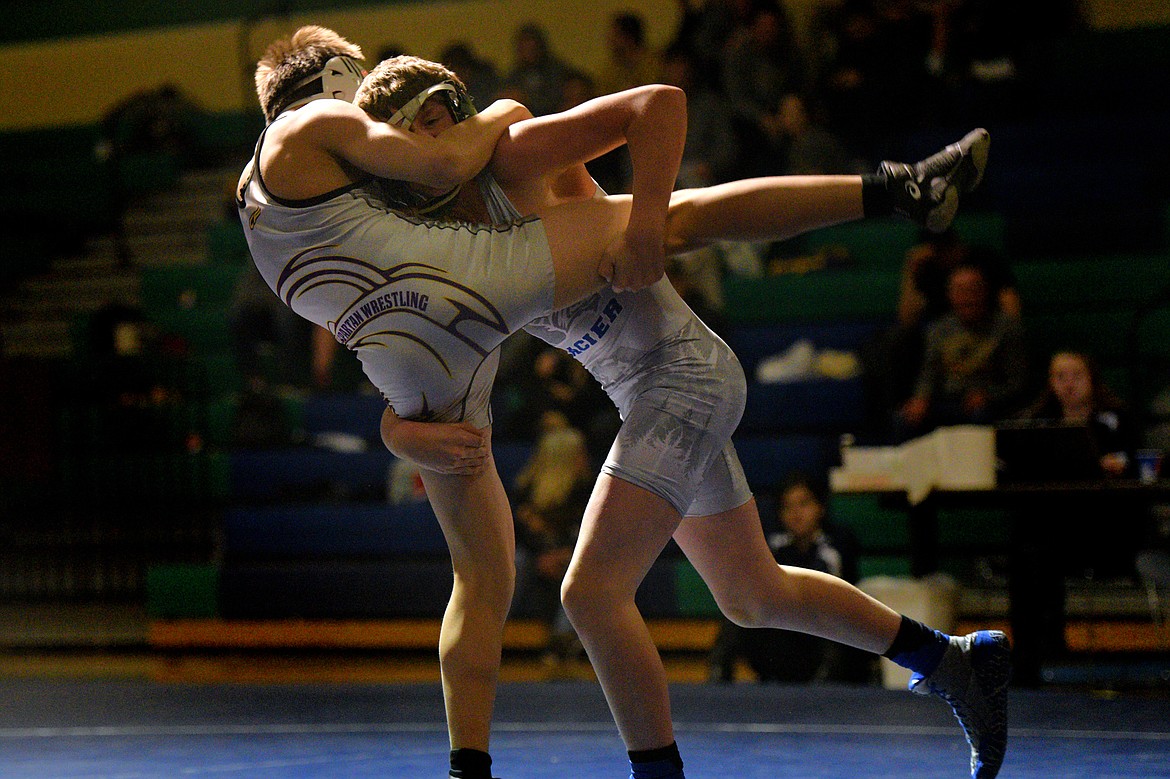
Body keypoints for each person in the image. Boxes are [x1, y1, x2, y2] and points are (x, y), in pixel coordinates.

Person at [240, 28, 1005, 779]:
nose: (420, 151)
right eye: (402, 144)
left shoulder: (508, 152)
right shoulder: (428, 245)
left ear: (450, 112)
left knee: (591, 592)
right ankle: (950, 659)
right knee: (751, 591)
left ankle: (898, 187)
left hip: (683, 376)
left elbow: (661, 110)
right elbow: (419, 382)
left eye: (431, 124)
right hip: (648, 389)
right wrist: (406, 437)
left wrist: (640, 226)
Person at [1008, 350, 1141, 685]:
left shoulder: (1117, 420)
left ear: (1092, 378)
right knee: (1026, 551)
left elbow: (1146, 466)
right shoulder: (1035, 422)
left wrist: (1123, 468)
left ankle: (1049, 644)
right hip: (1055, 536)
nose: (1068, 384)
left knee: (1036, 549)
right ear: (1050, 382)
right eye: (1059, 376)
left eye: (1076, 375)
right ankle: (1028, 658)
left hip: (1108, 534)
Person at [709, 472, 873, 684]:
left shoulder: (839, 543)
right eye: (788, 506)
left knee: (833, 621)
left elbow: (843, 598)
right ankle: (719, 676)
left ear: (820, 507)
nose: (796, 513)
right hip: (785, 634)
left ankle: (825, 686)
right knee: (740, 605)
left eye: (804, 504)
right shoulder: (773, 544)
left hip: (828, 634)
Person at [897, 260, 1028, 440]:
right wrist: (921, 398)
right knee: (904, 418)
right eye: (960, 290)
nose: (967, 297)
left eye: (973, 289)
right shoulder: (938, 329)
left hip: (988, 404)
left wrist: (988, 395)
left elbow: (1017, 381)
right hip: (946, 401)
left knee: (981, 416)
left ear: (985, 292)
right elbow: (929, 372)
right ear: (950, 294)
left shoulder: (1007, 328)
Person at [510, 424, 593, 669]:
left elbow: (588, 534)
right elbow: (518, 535)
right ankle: (489, 630)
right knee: (515, 561)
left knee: (582, 567)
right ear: (563, 458)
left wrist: (564, 553)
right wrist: (542, 555)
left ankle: (561, 642)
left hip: (569, 557)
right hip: (534, 559)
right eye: (579, 453)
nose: (585, 458)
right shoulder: (525, 490)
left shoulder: (587, 489)